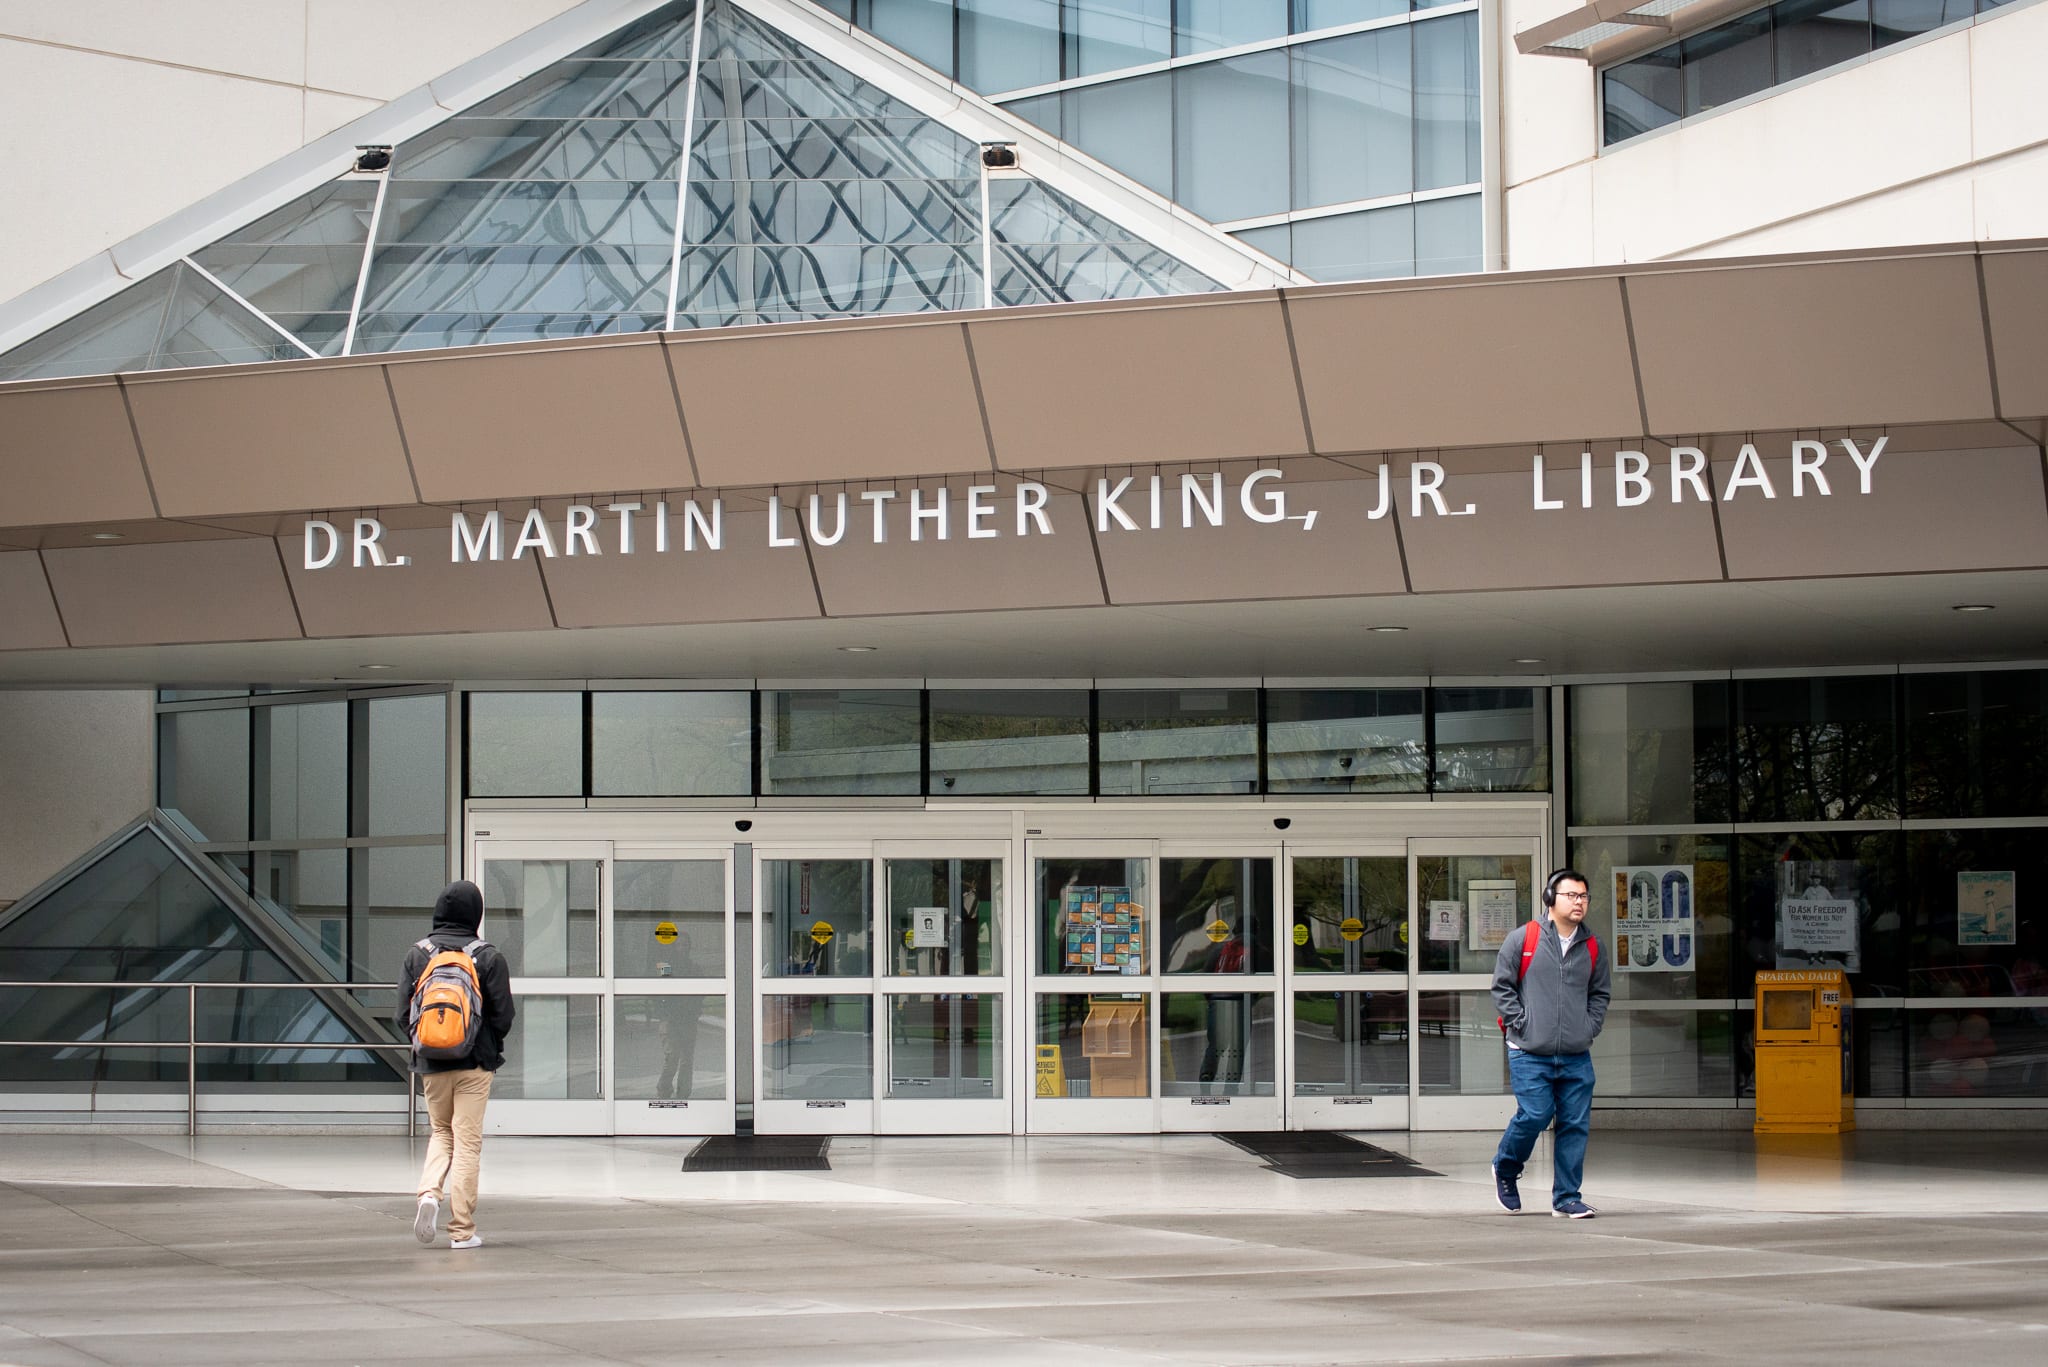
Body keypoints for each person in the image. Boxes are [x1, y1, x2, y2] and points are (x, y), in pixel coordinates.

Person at [399, 879, 515, 1249]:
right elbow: (503, 1017)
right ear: (475, 914)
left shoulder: (418, 955)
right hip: (474, 1065)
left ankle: (429, 1194)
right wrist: (485, 1044)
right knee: (467, 1142)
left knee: (441, 1133)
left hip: (431, 1064)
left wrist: (427, 1044)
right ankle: (462, 1231)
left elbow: (403, 1013)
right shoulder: (488, 957)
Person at [1490, 868, 1610, 1219]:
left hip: (1576, 1053)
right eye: (1572, 895)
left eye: (1584, 896)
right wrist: (1520, 1023)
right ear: (1550, 899)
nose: (1579, 902)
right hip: (1529, 1051)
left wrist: (1589, 1027)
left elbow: (1600, 993)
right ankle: (1506, 1167)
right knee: (1536, 1114)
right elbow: (1502, 987)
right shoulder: (1522, 939)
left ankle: (1567, 1197)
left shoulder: (1592, 946)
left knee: (1575, 1124)